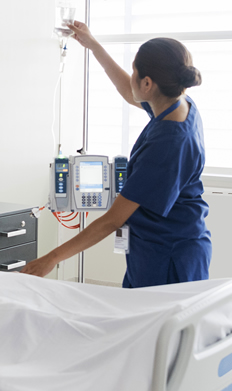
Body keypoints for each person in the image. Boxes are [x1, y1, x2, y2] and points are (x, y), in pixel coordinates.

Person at [21, 21, 212, 288]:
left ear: (147, 83)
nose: (131, 76)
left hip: (168, 255)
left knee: (158, 327)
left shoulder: (168, 144)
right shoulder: (177, 102)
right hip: (164, 245)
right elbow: (129, 92)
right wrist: (93, 45)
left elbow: (112, 220)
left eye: (134, 70)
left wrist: (51, 259)